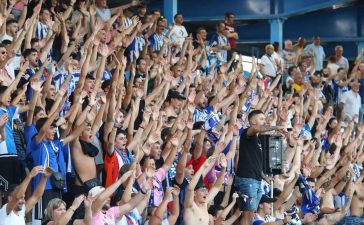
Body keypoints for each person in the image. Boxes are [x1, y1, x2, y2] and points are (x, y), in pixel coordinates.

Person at [234, 110, 285, 225]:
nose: (264, 121)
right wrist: (275, 127)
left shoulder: (257, 140)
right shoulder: (247, 132)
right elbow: (256, 129)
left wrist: (264, 177)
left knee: (251, 214)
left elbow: (256, 164)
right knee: (248, 213)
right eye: (261, 119)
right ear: (252, 121)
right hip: (247, 179)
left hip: (255, 179)